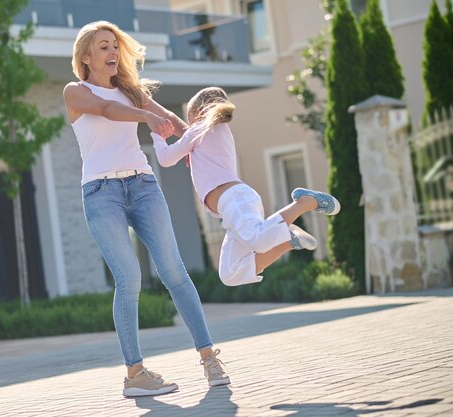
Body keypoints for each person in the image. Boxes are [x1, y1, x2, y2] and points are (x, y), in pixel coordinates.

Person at [62, 21, 230, 397]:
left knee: (174, 270)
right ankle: (135, 375)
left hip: (142, 185)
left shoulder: (130, 90)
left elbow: (172, 123)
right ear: (86, 56)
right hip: (100, 192)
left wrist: (198, 140)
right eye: (103, 47)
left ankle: (209, 359)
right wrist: (147, 117)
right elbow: (106, 110)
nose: (112, 53)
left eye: (115, 47)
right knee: (129, 278)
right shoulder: (76, 91)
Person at [151, 87, 341, 286]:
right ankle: (288, 240)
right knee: (230, 274)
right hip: (233, 208)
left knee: (259, 240)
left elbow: (166, 159)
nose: (188, 124)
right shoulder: (213, 132)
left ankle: (305, 202)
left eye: (189, 118)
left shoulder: (201, 128)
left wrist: (158, 135)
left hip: (235, 201)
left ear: (198, 114)